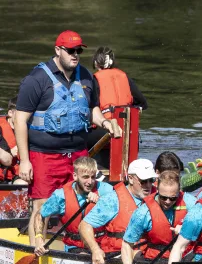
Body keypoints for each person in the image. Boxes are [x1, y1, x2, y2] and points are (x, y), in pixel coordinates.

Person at [14, 31, 121, 246]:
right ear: (57, 50)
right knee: (42, 205)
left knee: (83, 201)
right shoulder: (37, 79)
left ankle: (77, 247)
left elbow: (93, 111)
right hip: (44, 155)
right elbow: (19, 120)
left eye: (79, 51)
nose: (75, 55)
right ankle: (38, 254)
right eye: (70, 51)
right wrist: (25, 161)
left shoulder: (87, 78)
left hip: (78, 155)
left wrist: (106, 123)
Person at [120, 170, 195, 264]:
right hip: (155, 259)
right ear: (157, 190)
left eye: (173, 198)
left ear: (179, 192)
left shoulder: (191, 203)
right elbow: (127, 243)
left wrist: (188, 228)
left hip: (185, 258)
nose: (168, 202)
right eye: (163, 197)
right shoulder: (143, 213)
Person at [79, 159, 156, 264]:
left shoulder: (160, 197)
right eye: (143, 181)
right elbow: (84, 225)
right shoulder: (112, 200)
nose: (148, 185)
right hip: (117, 253)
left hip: (148, 252)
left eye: (151, 180)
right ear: (131, 179)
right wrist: (95, 250)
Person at [33, 156, 112, 255]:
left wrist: (101, 202)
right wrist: (39, 238)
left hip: (104, 244)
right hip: (76, 247)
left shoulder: (107, 190)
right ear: (75, 176)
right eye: (85, 177)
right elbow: (40, 215)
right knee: (84, 255)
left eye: (93, 177)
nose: (90, 182)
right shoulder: (61, 196)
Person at [88, 46, 148, 168]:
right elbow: (143, 104)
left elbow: (88, 107)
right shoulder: (125, 78)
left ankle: (92, 169)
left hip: (103, 133)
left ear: (96, 62)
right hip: (128, 133)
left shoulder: (94, 80)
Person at [0, 97, 22, 184]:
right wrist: (10, 152)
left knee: (22, 183)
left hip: (18, 172)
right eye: (20, 113)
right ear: (10, 113)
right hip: (4, 170)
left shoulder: (31, 129)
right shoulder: (1, 128)